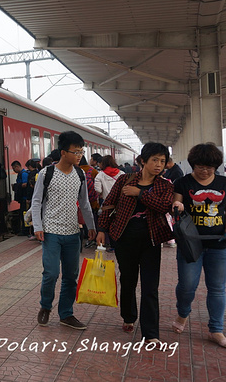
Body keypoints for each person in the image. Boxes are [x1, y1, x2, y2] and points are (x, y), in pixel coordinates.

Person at [96, 143, 173, 343]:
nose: (159, 165)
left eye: (162, 161)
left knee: (150, 287)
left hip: (151, 241)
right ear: (143, 161)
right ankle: (129, 316)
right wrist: (102, 229)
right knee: (128, 280)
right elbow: (108, 204)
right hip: (124, 238)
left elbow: (164, 206)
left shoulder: (165, 185)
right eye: (155, 160)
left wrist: (140, 193)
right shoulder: (125, 179)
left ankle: (151, 334)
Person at [31, 131, 96, 330]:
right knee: (51, 273)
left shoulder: (80, 174)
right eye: (75, 152)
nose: (79, 155)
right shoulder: (46, 173)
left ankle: (66, 314)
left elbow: (84, 203)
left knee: (70, 276)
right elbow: (36, 201)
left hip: (73, 233)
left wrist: (91, 226)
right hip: (51, 232)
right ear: (63, 152)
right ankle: (45, 306)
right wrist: (37, 226)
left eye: (81, 152)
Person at [171, 143, 226, 347]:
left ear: (216, 167)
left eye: (209, 168)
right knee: (187, 286)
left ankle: (216, 329)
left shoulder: (224, 182)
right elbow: (175, 205)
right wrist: (177, 206)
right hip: (190, 243)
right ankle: (183, 313)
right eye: (200, 167)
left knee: (218, 288)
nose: (205, 171)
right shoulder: (182, 182)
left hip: (219, 243)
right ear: (193, 165)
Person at [12, 160, 30, 236]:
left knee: (24, 214)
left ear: (17, 166)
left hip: (25, 198)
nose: (14, 170)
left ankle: (26, 230)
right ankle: (24, 229)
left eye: (14, 168)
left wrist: (16, 186)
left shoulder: (24, 174)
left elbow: (25, 184)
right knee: (23, 214)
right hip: (22, 198)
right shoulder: (20, 174)